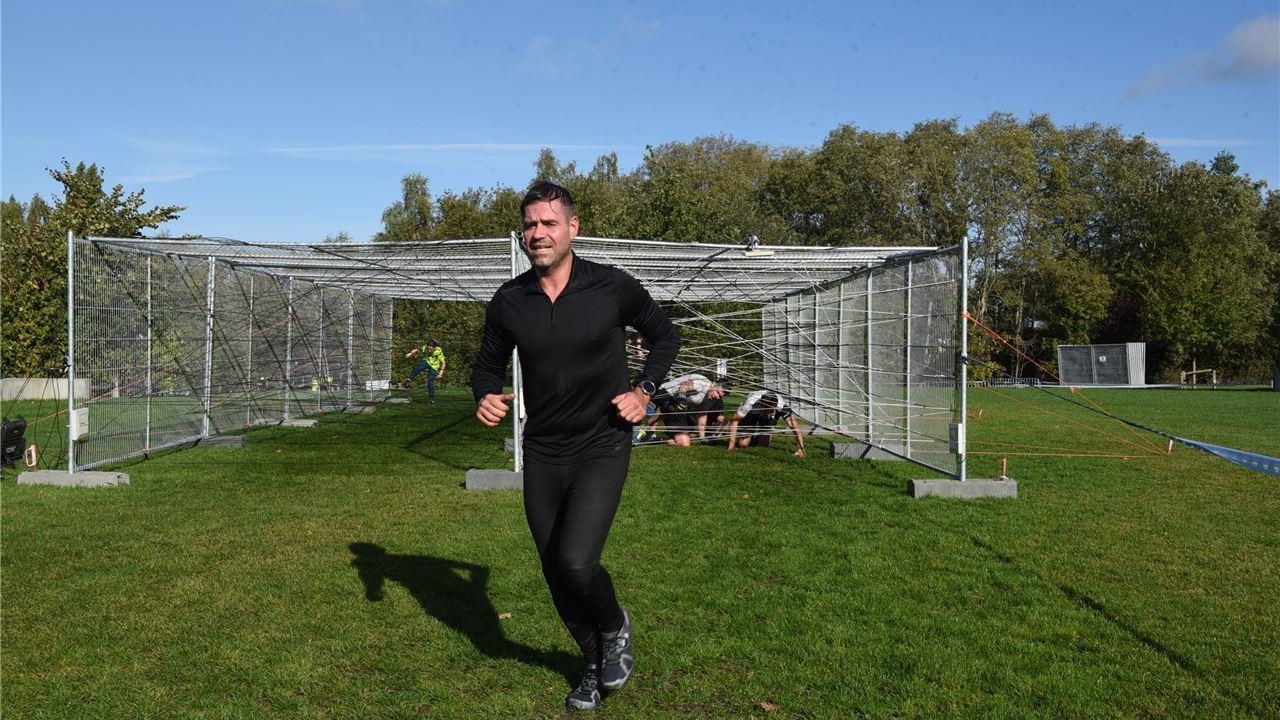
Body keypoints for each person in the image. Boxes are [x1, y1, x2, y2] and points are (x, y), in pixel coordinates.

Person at [471, 181, 679, 711]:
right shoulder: (509, 300)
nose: (538, 233)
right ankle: (592, 662)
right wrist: (485, 395)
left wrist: (644, 392)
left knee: (576, 562)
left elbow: (665, 335)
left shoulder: (611, 287)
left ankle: (614, 625)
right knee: (554, 571)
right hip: (543, 450)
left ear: (572, 228)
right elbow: (486, 365)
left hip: (602, 443)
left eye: (549, 223)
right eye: (530, 224)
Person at [648, 373, 727, 446]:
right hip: (666, 394)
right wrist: (682, 395)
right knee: (685, 443)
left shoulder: (712, 398)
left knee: (687, 436)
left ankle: (651, 433)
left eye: (720, 396)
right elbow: (685, 385)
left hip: (673, 405)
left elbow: (702, 415)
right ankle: (649, 433)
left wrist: (702, 438)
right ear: (714, 385)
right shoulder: (703, 385)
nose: (718, 397)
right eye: (717, 392)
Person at [726, 389, 806, 457]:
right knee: (743, 444)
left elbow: (795, 426)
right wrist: (731, 446)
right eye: (767, 410)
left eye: (771, 411)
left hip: (769, 417)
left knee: (764, 444)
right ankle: (744, 436)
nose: (769, 413)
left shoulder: (781, 406)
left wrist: (800, 449)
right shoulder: (750, 403)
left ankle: (753, 437)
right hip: (752, 414)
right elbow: (734, 421)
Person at [406, 339, 446, 403]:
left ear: (435, 347)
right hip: (427, 361)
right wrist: (410, 353)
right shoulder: (425, 347)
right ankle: (409, 379)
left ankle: (431, 399)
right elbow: (417, 349)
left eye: (431, 349)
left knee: (430, 382)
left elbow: (443, 363)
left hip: (434, 366)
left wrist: (440, 373)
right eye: (428, 349)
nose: (429, 350)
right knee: (420, 367)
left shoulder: (439, 352)